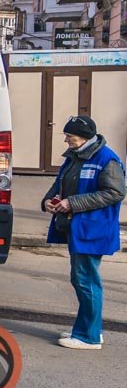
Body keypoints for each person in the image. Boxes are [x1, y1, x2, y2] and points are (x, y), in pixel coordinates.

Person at [43, 116, 124, 350]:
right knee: (82, 279)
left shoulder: (106, 159)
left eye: (71, 135)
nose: (67, 139)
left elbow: (115, 193)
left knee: (86, 280)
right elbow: (60, 183)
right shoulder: (74, 156)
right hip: (78, 228)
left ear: (86, 137)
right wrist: (49, 200)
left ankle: (88, 336)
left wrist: (73, 203)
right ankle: (88, 330)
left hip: (93, 229)